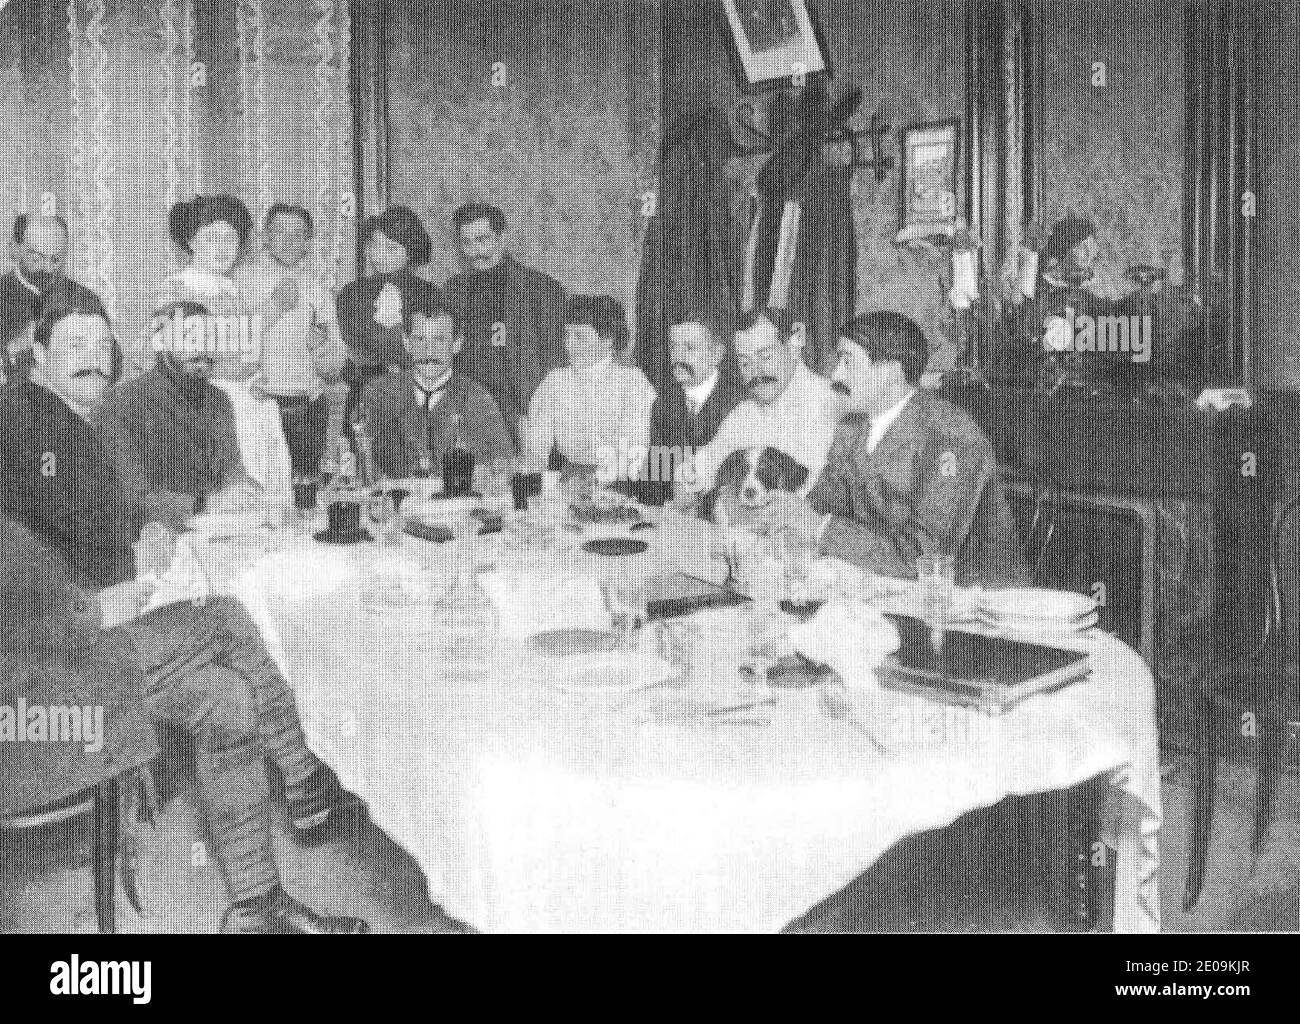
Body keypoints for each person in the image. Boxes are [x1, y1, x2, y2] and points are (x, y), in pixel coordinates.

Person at [0, 299, 368, 933]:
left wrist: (149, 529)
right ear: (39, 358)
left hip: (94, 647)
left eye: (102, 345)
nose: (96, 358)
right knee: (224, 615)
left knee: (228, 697)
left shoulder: (79, 424)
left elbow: (132, 503)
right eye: (77, 345)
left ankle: (255, 908)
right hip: (44, 682)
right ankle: (304, 784)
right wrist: (87, 606)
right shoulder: (16, 422)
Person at [756, 310, 1032, 589]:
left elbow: (923, 557)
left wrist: (819, 527)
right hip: (886, 586)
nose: (836, 373)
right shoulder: (853, 426)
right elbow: (823, 504)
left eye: (848, 361)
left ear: (892, 372)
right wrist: (790, 518)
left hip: (973, 606)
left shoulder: (952, 437)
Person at [157, 196, 293, 506]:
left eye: (230, 237)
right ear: (191, 241)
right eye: (211, 236)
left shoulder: (229, 288)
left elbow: (245, 348)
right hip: (207, 406)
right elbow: (176, 362)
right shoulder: (176, 289)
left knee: (264, 497)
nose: (222, 246)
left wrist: (259, 377)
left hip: (249, 404)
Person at [97, 302, 268, 533]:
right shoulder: (120, 403)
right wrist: (202, 504)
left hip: (217, 534)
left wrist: (242, 488)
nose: (201, 349)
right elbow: (128, 496)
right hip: (152, 545)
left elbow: (231, 472)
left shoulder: (219, 401)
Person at [232, 203, 347, 481]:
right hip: (259, 404)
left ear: (309, 242)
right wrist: (274, 308)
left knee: (306, 488)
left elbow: (336, 359)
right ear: (265, 237)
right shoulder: (241, 281)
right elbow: (232, 340)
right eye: (279, 232)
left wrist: (322, 345)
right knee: (265, 489)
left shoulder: (316, 287)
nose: (288, 241)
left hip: (307, 404)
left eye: (298, 234)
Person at [677, 308, 839, 500]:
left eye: (765, 357)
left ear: (793, 346)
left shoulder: (832, 402)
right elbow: (699, 468)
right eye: (745, 363)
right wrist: (685, 486)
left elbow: (823, 494)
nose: (756, 372)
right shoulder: (745, 411)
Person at [443, 203, 567, 440]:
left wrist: (544, 418)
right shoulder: (451, 292)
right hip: (470, 412)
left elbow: (557, 363)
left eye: (483, 240)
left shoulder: (542, 289)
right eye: (467, 242)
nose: (476, 251)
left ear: (502, 238)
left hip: (525, 412)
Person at [362, 295, 515, 479]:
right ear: (406, 342)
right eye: (420, 340)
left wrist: (492, 472)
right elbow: (363, 464)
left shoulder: (477, 398)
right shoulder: (378, 393)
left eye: (440, 340)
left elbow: (503, 462)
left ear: (457, 344)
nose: (429, 351)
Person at [521, 294, 655, 483]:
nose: (569, 345)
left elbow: (635, 449)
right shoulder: (555, 381)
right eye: (567, 335)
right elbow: (536, 448)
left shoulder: (633, 383)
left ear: (607, 340)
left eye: (580, 337)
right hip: (567, 483)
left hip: (623, 486)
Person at [336, 205, 440, 424]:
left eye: (391, 248)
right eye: (374, 244)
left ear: (411, 252)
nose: (379, 255)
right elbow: (348, 354)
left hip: (417, 400)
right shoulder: (351, 294)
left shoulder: (430, 296)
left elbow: (433, 354)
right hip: (363, 398)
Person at [636, 316, 744, 505]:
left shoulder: (739, 404)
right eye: (673, 347)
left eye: (689, 348)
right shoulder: (663, 405)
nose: (678, 357)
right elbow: (655, 478)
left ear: (716, 354)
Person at [1, 213, 107, 381]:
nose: (49, 269)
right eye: (37, 258)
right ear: (14, 248)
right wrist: (13, 349)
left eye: (56, 259)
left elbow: (113, 366)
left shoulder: (84, 298)